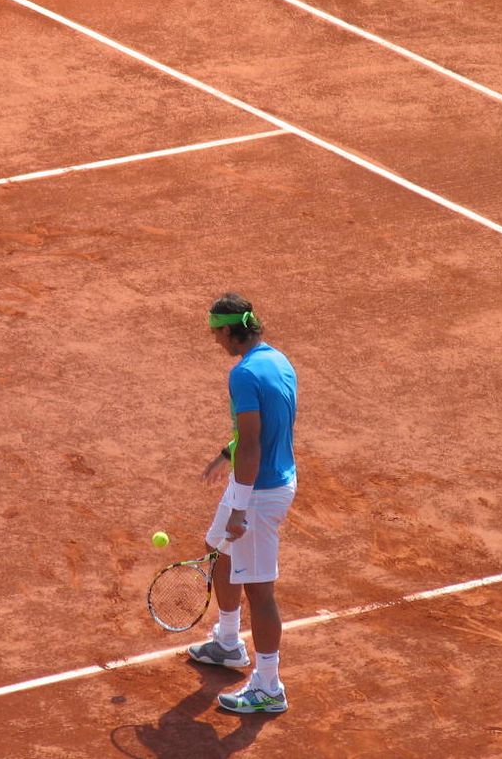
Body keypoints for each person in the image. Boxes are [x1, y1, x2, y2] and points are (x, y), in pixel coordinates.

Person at [187, 292, 298, 714]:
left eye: (217, 333)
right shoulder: (277, 359)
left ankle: (269, 686)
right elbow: (265, 429)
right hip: (257, 479)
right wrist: (226, 452)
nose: (216, 340)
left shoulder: (243, 374)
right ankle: (229, 643)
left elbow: (252, 443)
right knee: (221, 551)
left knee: (260, 591)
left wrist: (239, 507)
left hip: (259, 491)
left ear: (232, 330)